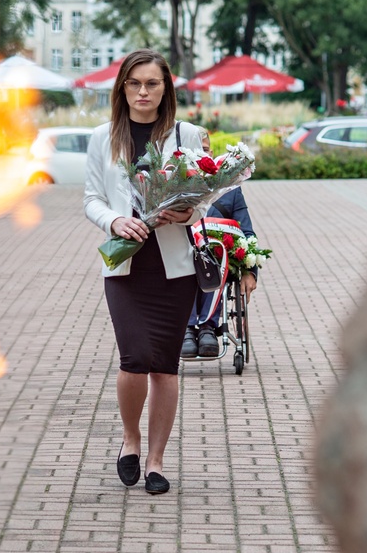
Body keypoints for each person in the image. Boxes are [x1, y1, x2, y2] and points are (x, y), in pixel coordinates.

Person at [84, 49, 204, 495]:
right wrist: (114, 220)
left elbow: (205, 196)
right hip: (125, 268)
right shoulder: (104, 137)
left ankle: (155, 461)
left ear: (165, 89)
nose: (143, 92)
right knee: (134, 360)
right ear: (122, 88)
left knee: (166, 368)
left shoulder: (185, 134)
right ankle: (130, 439)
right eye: (134, 84)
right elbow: (91, 198)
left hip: (175, 269)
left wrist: (188, 212)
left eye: (152, 84)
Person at [182, 125, 258, 358]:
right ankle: (187, 327)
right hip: (183, 259)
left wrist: (250, 271)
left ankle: (207, 326)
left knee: (213, 258)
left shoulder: (231, 190)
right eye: (195, 150)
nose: (201, 155)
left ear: (212, 153)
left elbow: (247, 232)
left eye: (204, 150)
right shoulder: (174, 186)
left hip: (218, 261)